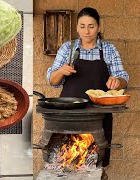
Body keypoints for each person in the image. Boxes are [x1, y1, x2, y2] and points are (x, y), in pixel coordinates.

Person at [46, 7, 129, 167]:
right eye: (82, 26)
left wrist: (117, 81)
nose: (87, 31)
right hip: (69, 115)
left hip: (98, 117)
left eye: (91, 26)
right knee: (66, 160)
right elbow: (53, 81)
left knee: (94, 162)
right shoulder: (67, 48)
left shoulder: (109, 50)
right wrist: (61, 71)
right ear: (77, 27)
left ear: (98, 27)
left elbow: (124, 79)